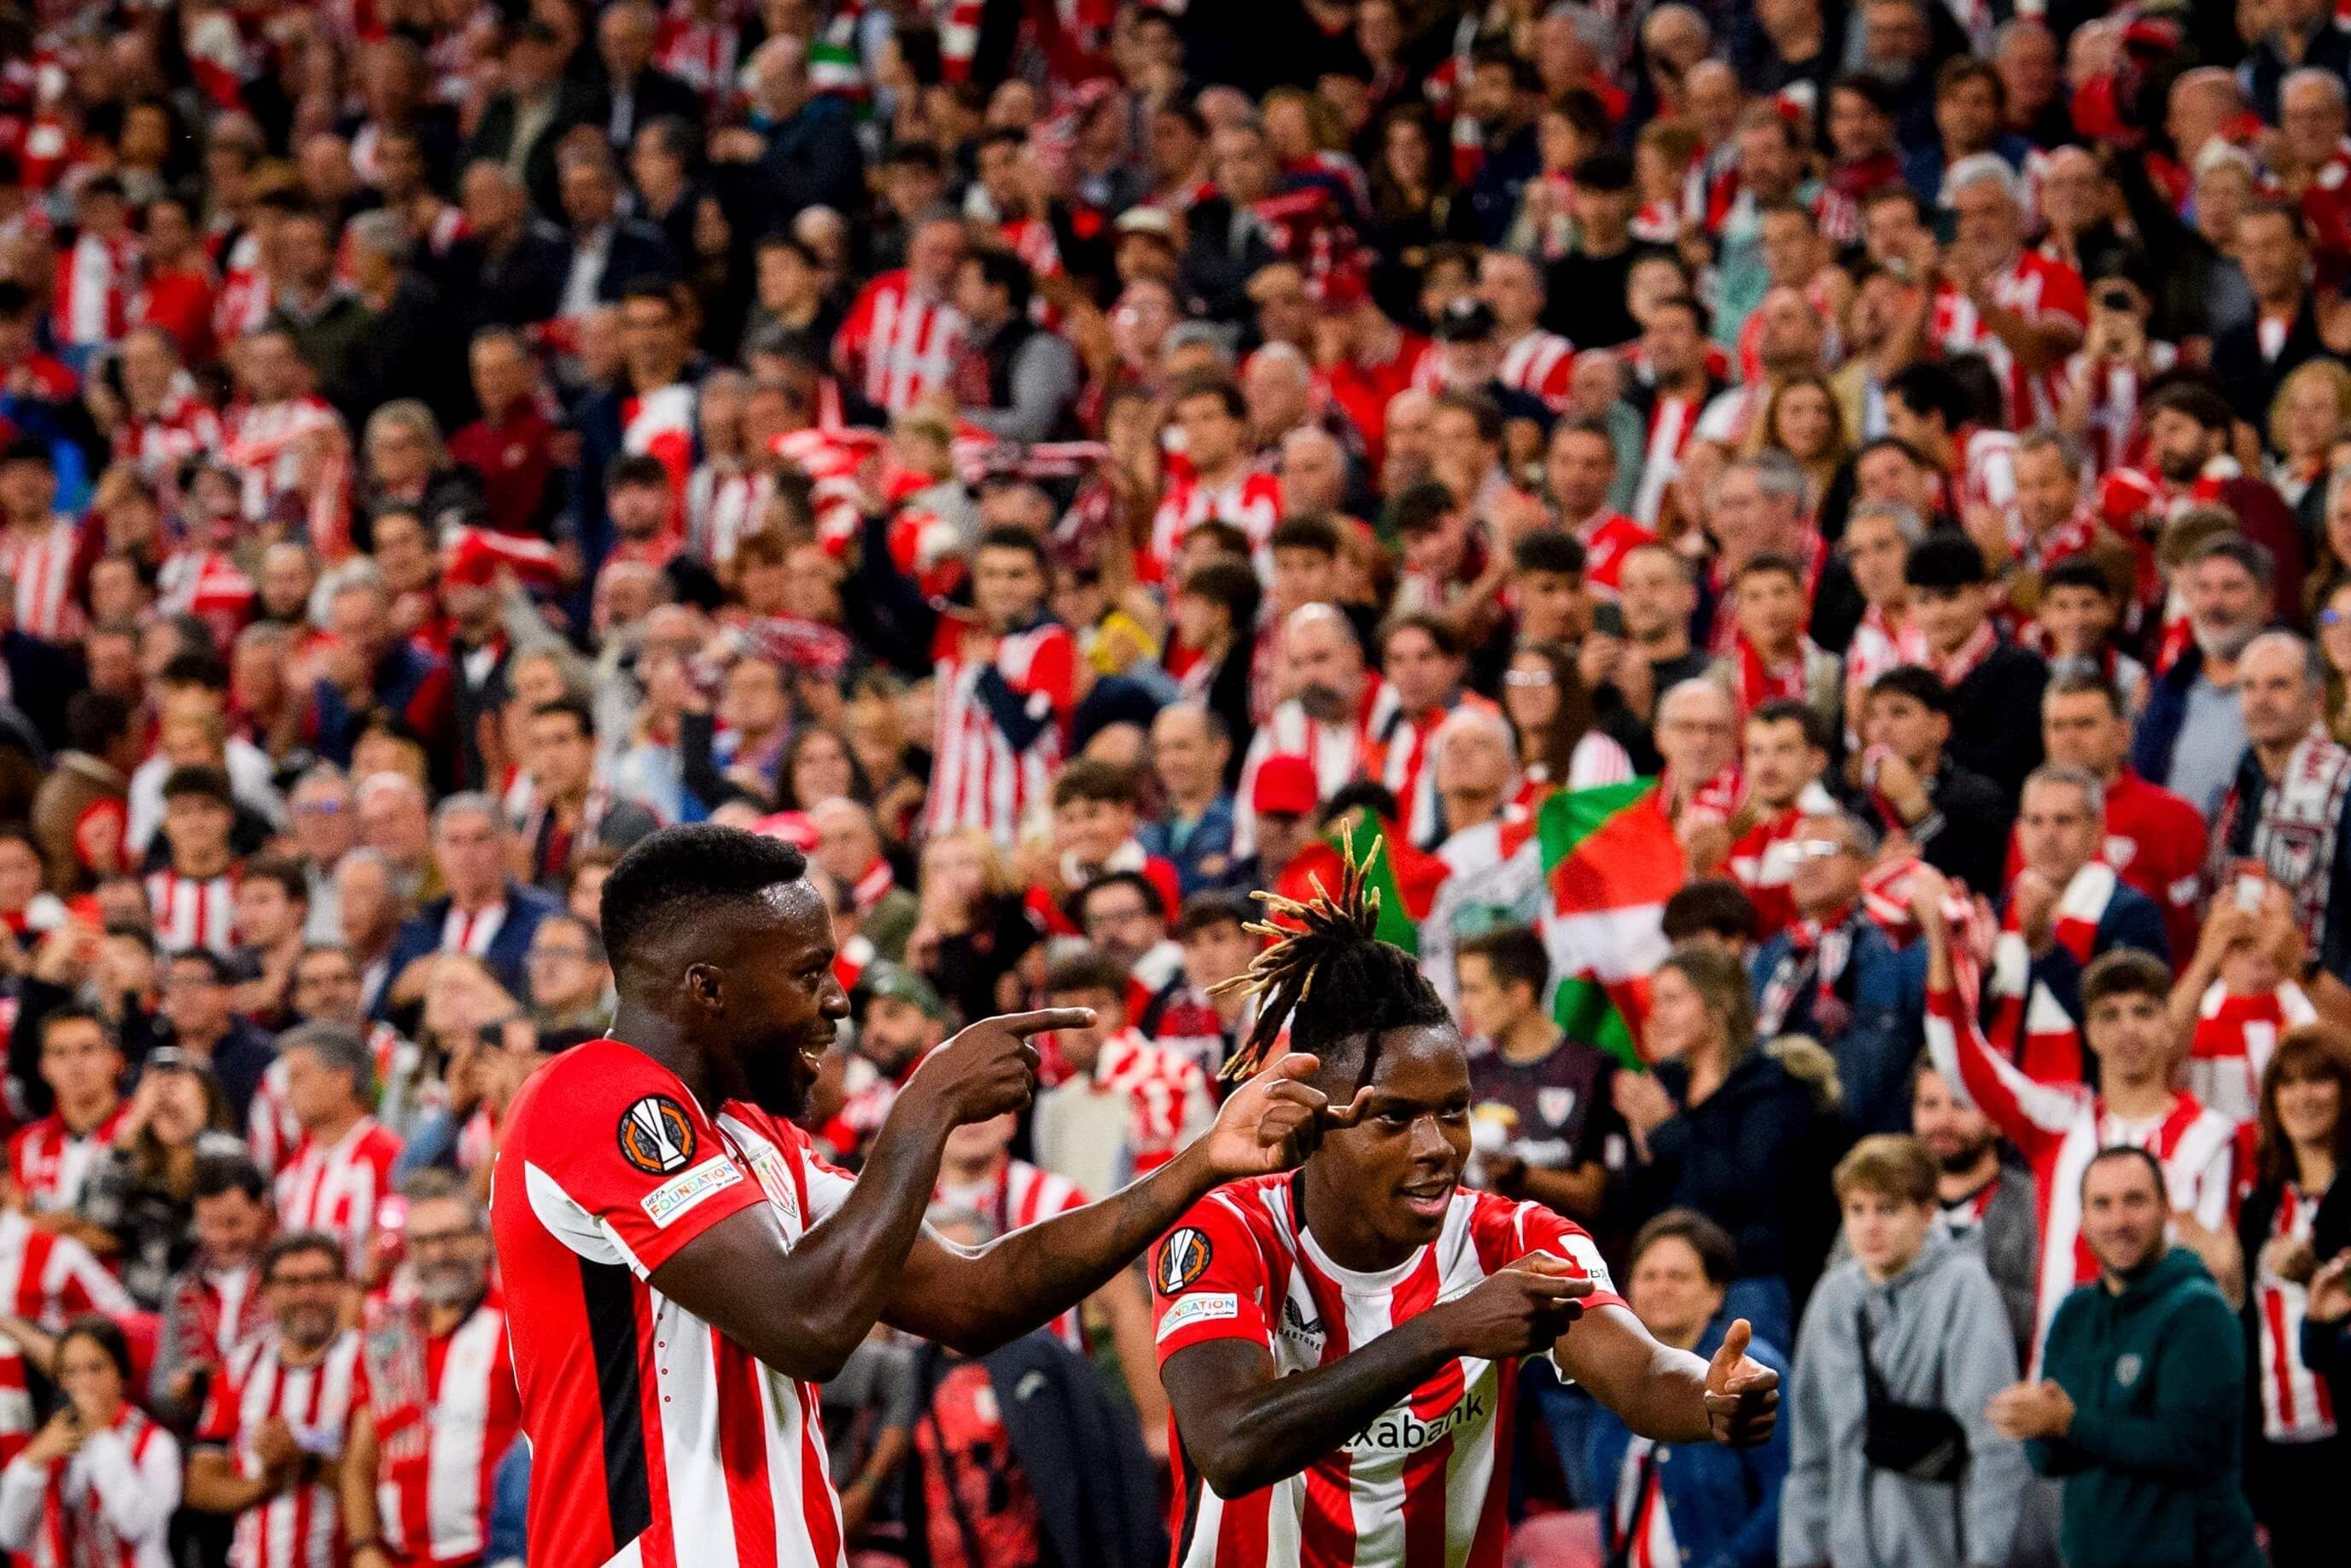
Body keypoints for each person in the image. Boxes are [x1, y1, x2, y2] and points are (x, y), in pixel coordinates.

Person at [489, 824, 1345, 1567]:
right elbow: (806, 1324)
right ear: (707, 987)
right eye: (807, 972)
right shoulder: (593, 1097)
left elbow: (973, 1294)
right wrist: (925, 1107)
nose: (837, 999)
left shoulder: (757, 1136)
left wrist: (1202, 1160)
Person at [1150, 845, 1778, 1563]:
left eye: (1453, 1111)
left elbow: (1638, 1372)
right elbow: (1231, 1444)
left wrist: (1708, 1395)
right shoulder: (1226, 1230)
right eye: (1394, 1118)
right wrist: (1445, 1330)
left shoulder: (1514, 1238)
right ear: (1313, 1114)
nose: (1437, 1145)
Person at [1914, 864, 2237, 1364]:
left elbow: (2224, 1277)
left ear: (2169, 1027)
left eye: (2144, 1012)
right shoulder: (2059, 1122)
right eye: (2110, 1015)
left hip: (2166, 1383)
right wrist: (1940, 945)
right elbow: (1961, 1061)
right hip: (2059, 1386)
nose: (2127, 1030)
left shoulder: (2211, 1136)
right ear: (2090, 1033)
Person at [1988, 1146, 2264, 1568]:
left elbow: (2190, 1447)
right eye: (2102, 1204)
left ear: (2166, 1210)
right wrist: (2037, 1425)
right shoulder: (2074, 1315)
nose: (2118, 1221)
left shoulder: (2199, 1311)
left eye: (2134, 1201)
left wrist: (2068, 1423)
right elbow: (2049, 1460)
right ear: (2082, 1219)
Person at [1781, 1135, 2027, 1568]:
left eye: (1888, 1209)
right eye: (1857, 1210)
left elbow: (1995, 1447)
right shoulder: (1833, 1296)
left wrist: (1987, 1559)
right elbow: (1812, 1455)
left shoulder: (1965, 1290)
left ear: (1927, 1211)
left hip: (1944, 1552)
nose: (1870, 1226)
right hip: (1852, 1552)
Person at [1613, 941, 1841, 1348]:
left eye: (1672, 1000)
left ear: (1718, 1007)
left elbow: (1744, 1191)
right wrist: (1644, 1145)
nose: (1656, 1015)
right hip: (1669, 1287)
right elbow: (1631, 1208)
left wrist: (1665, 1130)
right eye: (1655, 1001)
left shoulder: (1772, 1087)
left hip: (1746, 1283)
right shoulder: (1667, 1086)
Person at [1583, 1210, 1790, 1568]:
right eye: (1649, 1275)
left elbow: (1786, 1493)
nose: (1661, 1287)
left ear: (1715, 1293)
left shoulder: (1751, 1368)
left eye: (1678, 1276)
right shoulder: (1619, 1369)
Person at [341, 1170, 522, 1568]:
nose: (439, 1254)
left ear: (482, 1240)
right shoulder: (387, 1333)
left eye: (451, 1237)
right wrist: (364, 1546)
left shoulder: (514, 1327)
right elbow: (360, 1459)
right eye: (423, 1242)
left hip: (494, 1555)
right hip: (397, 1558)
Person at [186, 1230, 369, 1567]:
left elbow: (388, 1481)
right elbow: (200, 1485)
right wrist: (265, 1483)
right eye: (291, 1282)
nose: (306, 1294)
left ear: (344, 1286)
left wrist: (304, 1460)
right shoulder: (242, 1365)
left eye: (319, 1280)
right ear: (267, 1292)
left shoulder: (368, 1361)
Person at [1984, 765, 2171, 1086]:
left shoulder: (2131, 913)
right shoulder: (2002, 909)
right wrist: (1976, 968)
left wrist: (2045, 950)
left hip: (2093, 1105)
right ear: (2019, 832)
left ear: (2097, 831)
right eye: (2036, 821)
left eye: (2064, 821)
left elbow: (2126, 1031)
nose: (2048, 835)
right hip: (2011, 1106)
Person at [1748, 812, 1921, 1134]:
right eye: (1797, 854)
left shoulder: (1900, 942)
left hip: (1872, 1146)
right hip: (1784, 1145)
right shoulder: (1772, 957)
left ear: (1866, 864)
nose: (1808, 864)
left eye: (1824, 850)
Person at [1455, 924, 1619, 1225]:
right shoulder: (1466, 1073)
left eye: (1475, 990)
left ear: (1520, 993)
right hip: (1480, 1257)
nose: (1463, 1004)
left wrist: (1520, 1175)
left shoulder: (1591, 1070)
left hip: (1564, 1258)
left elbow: (1596, 1197)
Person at [2211, 632, 2351, 985]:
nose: (2260, 700)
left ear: (2317, 699)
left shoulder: (2344, 782)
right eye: (2249, 687)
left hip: (2327, 999)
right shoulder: (2242, 781)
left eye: (2278, 685)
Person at [0, 1316, 178, 1568]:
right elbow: (11, 1535)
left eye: (96, 1368)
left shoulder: (157, 1444)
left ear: (121, 1373)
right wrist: (33, 1460)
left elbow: (137, 1526)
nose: (84, 1382)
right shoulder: (55, 1439)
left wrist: (100, 1437)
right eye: (71, 1371)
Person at [271, 1023, 405, 1276]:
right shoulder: (293, 1170)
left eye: (298, 1077)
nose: (288, 1092)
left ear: (342, 1079)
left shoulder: (388, 1157)